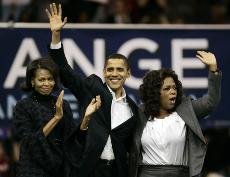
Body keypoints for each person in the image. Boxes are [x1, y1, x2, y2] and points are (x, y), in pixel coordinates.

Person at [45, 3, 140, 177]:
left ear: (128, 73)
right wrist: (56, 35)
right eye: (110, 69)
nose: (114, 74)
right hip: (89, 170)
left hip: (118, 172)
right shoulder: (92, 89)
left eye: (120, 70)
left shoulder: (133, 109)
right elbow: (65, 71)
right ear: (104, 72)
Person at [129, 51, 222, 177]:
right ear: (155, 93)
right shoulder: (139, 113)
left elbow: (211, 101)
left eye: (174, 88)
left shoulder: (186, 109)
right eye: (167, 89)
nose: (173, 92)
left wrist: (213, 69)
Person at [12, 58, 101, 177]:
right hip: (33, 170)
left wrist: (86, 118)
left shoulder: (63, 104)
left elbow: (73, 143)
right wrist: (56, 117)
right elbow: (30, 142)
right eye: (41, 80)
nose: (47, 83)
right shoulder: (23, 106)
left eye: (50, 79)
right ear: (32, 81)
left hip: (60, 170)